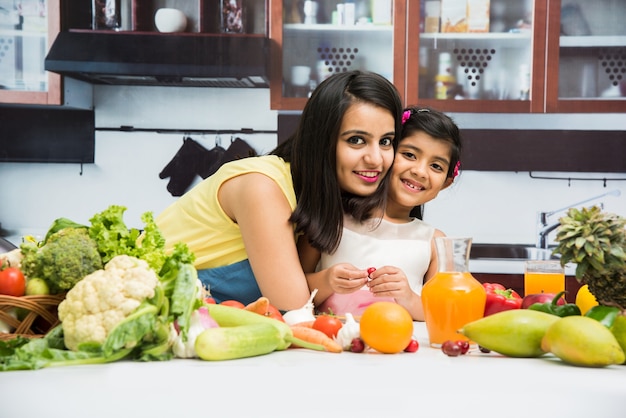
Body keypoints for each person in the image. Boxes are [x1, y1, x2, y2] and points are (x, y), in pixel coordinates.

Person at [154, 70, 403, 311]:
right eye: (356, 140)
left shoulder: (318, 200)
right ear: (321, 140)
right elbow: (293, 308)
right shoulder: (262, 187)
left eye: (385, 141)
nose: (376, 159)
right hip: (149, 313)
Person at [302, 106, 462, 320]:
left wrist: (408, 297)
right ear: (385, 154)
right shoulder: (330, 218)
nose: (420, 171)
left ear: (445, 183)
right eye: (409, 154)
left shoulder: (435, 243)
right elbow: (291, 289)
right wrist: (326, 280)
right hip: (331, 345)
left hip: (398, 347)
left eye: (436, 166)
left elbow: (443, 314)